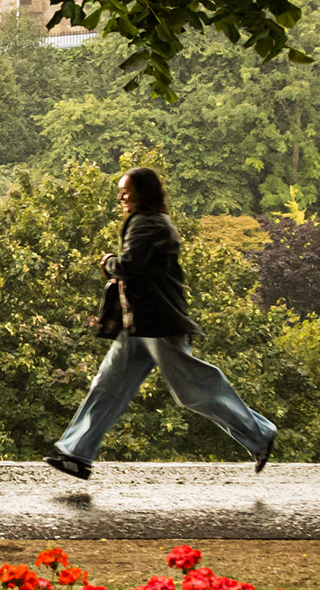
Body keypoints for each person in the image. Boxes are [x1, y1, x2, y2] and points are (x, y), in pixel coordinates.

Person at [44, 167, 277, 481]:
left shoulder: (147, 223)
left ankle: (260, 433)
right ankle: (76, 453)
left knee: (191, 386)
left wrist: (107, 263)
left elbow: (128, 266)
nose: (121, 196)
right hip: (138, 324)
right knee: (107, 386)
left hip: (158, 323)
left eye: (126, 189)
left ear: (144, 192)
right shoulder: (153, 222)